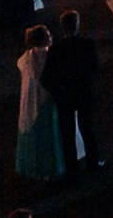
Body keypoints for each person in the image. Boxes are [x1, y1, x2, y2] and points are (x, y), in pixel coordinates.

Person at [43, 7, 103, 180]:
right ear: (77, 26)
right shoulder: (88, 44)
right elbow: (95, 67)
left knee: (67, 133)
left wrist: (58, 92)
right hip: (84, 93)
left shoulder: (54, 51)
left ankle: (72, 167)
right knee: (87, 128)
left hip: (65, 97)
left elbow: (47, 77)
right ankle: (93, 161)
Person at [14, 24, 68, 181]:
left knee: (32, 134)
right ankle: (51, 167)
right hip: (47, 99)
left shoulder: (24, 59)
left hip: (29, 101)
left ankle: (32, 167)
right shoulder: (51, 56)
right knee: (49, 134)